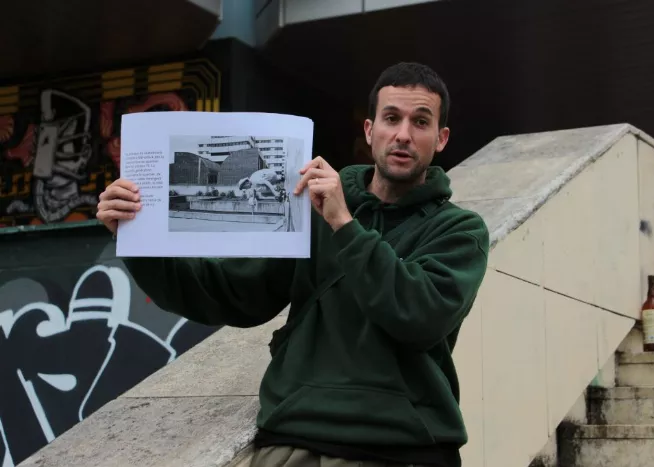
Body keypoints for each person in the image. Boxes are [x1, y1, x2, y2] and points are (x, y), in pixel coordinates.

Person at [96, 62, 489, 467]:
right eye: (392, 118)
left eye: (420, 122)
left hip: (402, 448)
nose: (403, 134)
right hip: (291, 440)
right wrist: (136, 239)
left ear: (440, 139)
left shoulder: (459, 230)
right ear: (370, 130)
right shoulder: (307, 211)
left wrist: (343, 225)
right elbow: (231, 294)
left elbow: (418, 315)